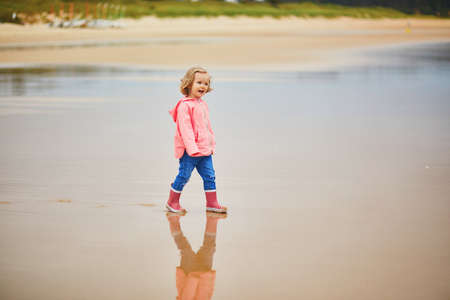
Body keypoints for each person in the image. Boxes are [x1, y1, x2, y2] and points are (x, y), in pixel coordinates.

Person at [166, 67, 227, 214]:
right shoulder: (184, 106)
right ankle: (172, 201)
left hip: (205, 151)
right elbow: (185, 130)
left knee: (210, 176)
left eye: (206, 84)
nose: (203, 86)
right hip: (190, 152)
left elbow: (207, 127)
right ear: (188, 84)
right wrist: (192, 149)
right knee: (184, 176)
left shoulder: (203, 104)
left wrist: (210, 143)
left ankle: (212, 203)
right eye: (199, 82)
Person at [166, 212, 226, 300]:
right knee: (209, 246)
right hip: (205, 276)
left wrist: (193, 279)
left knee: (185, 249)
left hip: (189, 273)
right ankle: (212, 219)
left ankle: (173, 221)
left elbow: (185, 296)